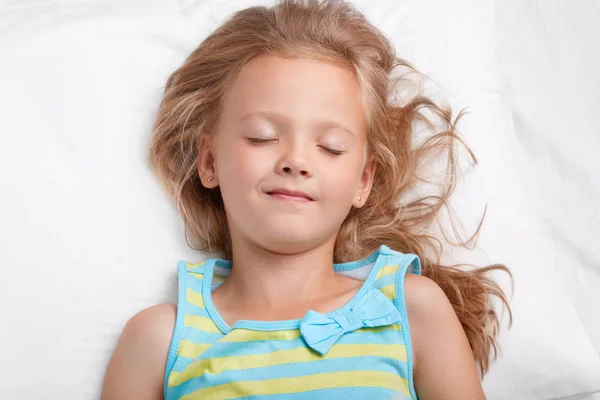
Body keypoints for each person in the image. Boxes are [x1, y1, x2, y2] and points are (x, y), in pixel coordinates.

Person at [102, 1, 512, 399]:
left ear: (363, 182)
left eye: (331, 147)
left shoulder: (412, 309)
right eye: (262, 137)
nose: (296, 161)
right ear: (209, 162)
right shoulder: (158, 341)